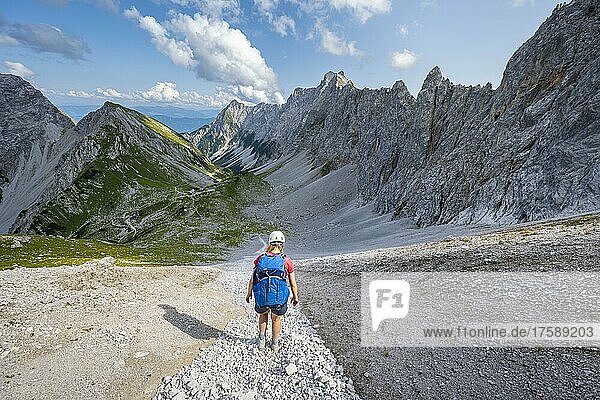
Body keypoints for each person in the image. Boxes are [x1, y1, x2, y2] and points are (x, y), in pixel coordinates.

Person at [246, 230, 299, 353]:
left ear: (270, 243)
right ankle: (275, 344)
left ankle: (261, 341)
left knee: (263, 314)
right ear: (282, 244)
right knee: (276, 319)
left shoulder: (260, 258)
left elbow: (252, 279)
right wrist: (295, 296)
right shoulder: (286, 260)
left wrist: (249, 293)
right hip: (278, 299)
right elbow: (292, 283)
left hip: (262, 297)